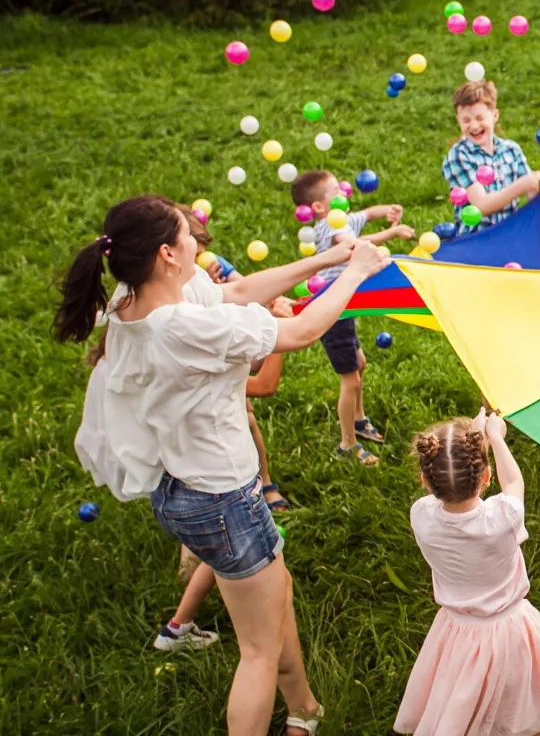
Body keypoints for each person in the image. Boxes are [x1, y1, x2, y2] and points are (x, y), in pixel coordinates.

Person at [54, 195, 390, 735]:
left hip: (181, 489)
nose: (197, 243)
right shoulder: (182, 328)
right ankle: (286, 712)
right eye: (188, 236)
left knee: (275, 597)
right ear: (167, 253)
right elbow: (300, 334)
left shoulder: (132, 299)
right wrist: (353, 274)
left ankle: (304, 711)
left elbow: (234, 291)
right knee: (257, 649)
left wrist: (326, 261)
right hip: (223, 500)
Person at [394, 410, 540, 736]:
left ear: (424, 480)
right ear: (486, 477)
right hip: (510, 632)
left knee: (466, 708)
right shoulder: (503, 517)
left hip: (458, 632)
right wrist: (495, 438)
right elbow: (514, 483)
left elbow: (450, 490)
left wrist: (474, 445)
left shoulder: (421, 516)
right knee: (524, 710)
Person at [290, 169, 413, 466]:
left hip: (345, 308)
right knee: (350, 380)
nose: (343, 193)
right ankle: (347, 444)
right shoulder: (328, 228)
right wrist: (378, 254)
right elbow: (353, 243)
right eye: (335, 191)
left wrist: (389, 216)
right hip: (332, 313)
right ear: (319, 208)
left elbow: (366, 216)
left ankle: (358, 420)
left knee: (360, 364)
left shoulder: (341, 218)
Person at [442, 80, 540, 234]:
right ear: (458, 120)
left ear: (494, 115)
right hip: (475, 241)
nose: (473, 126)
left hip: (510, 236)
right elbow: (481, 206)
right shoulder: (458, 156)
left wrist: (539, 184)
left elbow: (532, 194)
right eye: (466, 120)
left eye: (480, 118)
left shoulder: (511, 150)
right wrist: (523, 184)